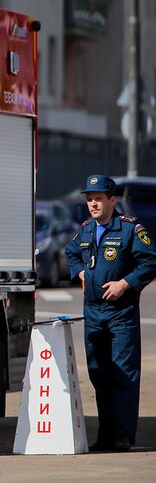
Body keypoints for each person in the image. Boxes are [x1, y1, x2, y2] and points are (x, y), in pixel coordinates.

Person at [64, 174, 156, 452]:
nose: (93, 204)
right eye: (89, 199)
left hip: (121, 311)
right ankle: (105, 435)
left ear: (112, 200)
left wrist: (125, 283)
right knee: (98, 373)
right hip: (93, 311)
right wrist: (80, 272)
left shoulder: (130, 229)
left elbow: (150, 262)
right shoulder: (87, 229)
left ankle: (122, 435)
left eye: (98, 199)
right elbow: (71, 253)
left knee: (123, 374)